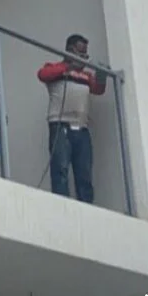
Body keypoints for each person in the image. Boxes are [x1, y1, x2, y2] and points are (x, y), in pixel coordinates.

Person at [36, 34, 106, 203]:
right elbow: (43, 74)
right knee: (60, 169)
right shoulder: (56, 68)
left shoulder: (86, 76)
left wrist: (102, 74)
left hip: (82, 128)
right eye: (80, 53)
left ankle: (87, 207)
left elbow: (98, 89)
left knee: (84, 173)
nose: (83, 58)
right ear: (69, 51)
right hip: (61, 126)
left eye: (85, 54)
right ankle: (62, 205)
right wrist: (68, 67)